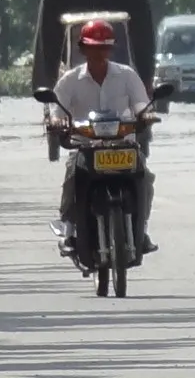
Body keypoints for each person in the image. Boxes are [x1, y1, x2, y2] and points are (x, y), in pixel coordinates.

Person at [51, 18, 157, 252]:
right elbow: (57, 110)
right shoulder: (69, 81)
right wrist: (58, 121)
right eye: (94, 48)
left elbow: (141, 104)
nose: (99, 53)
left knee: (145, 178)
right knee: (72, 177)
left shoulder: (127, 75)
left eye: (104, 47)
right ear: (83, 49)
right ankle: (68, 230)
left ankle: (142, 229)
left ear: (111, 49)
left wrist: (146, 114)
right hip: (87, 145)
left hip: (123, 144)